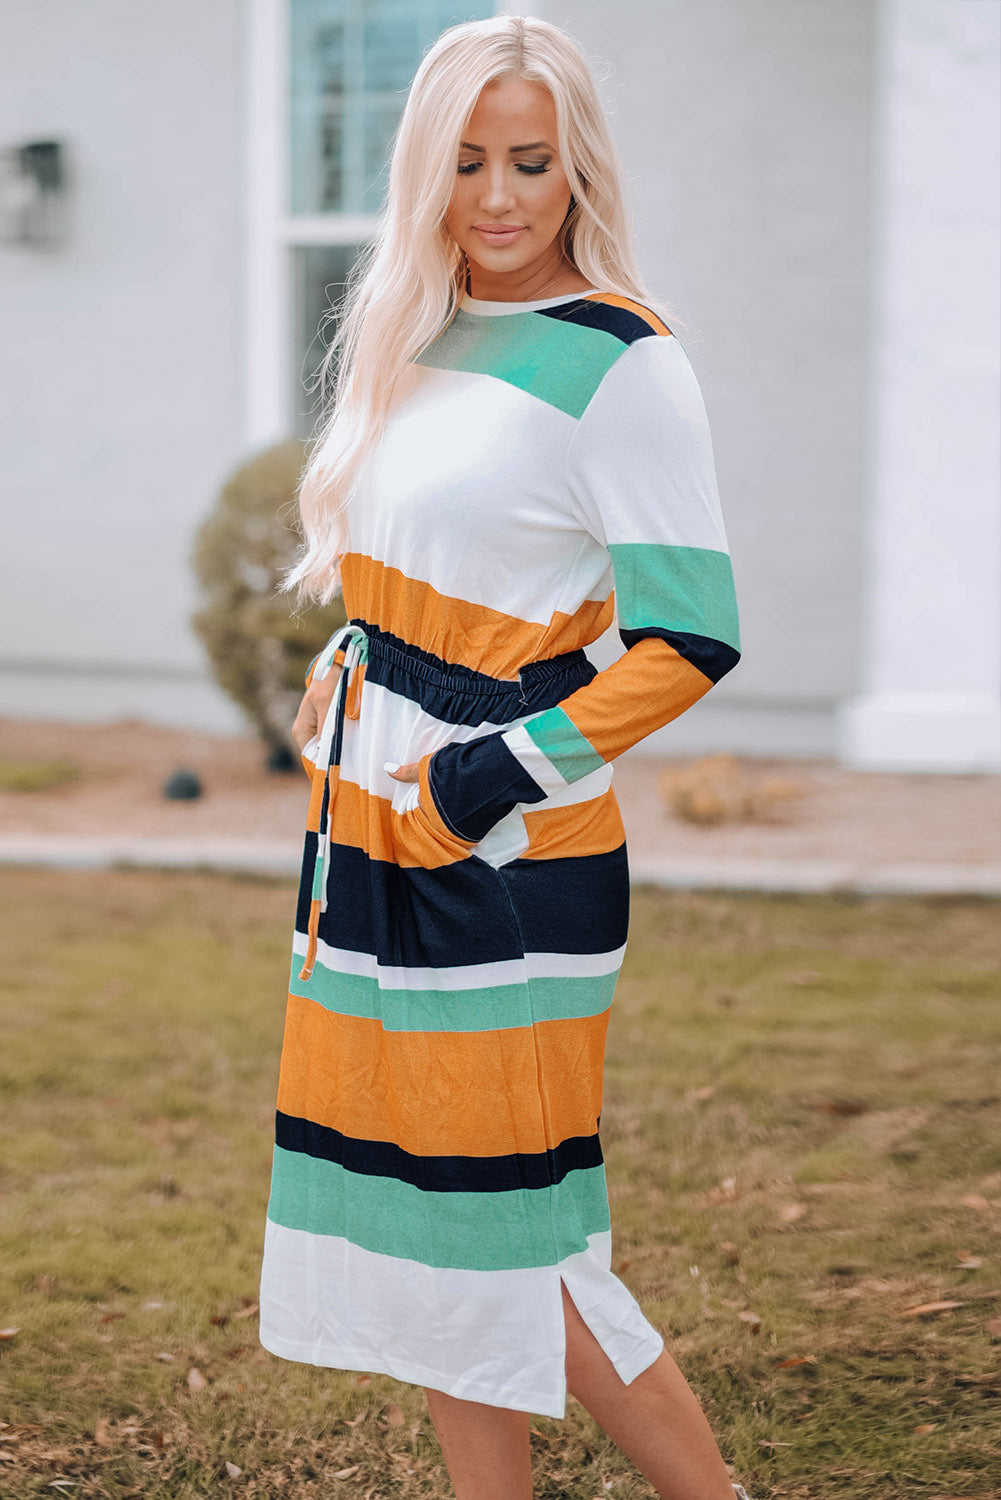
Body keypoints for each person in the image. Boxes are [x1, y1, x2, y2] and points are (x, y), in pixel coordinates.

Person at [258, 14, 750, 1500]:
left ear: (575, 167)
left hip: (505, 849)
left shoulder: (623, 359)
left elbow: (691, 635)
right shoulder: (423, 332)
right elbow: (431, 567)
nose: (497, 196)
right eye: (466, 161)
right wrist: (348, 666)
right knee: (432, 1237)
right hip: (373, 824)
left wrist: (488, 776)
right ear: (424, 169)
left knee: (516, 1242)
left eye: (530, 161)